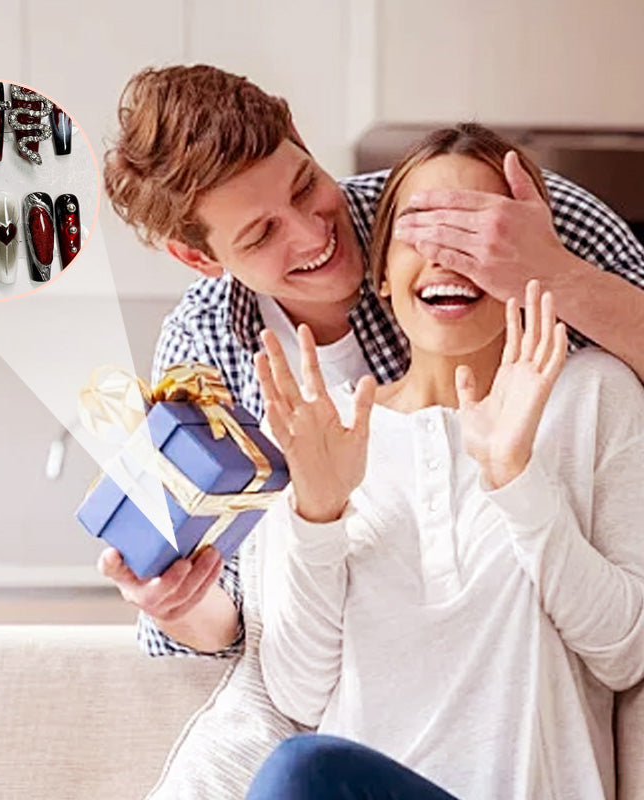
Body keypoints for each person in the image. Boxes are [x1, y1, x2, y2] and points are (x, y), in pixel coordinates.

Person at [100, 64, 644, 659]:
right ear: (198, 257)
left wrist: (557, 275)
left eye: (305, 186)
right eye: (261, 235)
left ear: (299, 137)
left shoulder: (483, 214)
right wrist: (180, 604)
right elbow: (233, 623)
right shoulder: (203, 350)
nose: (312, 235)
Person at [245, 123, 644, 799]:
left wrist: (517, 478)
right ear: (379, 274)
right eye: (421, 228)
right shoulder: (323, 428)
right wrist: (318, 511)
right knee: (298, 770)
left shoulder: (591, 394)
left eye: (474, 230)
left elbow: (625, 655)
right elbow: (297, 692)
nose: (447, 256)